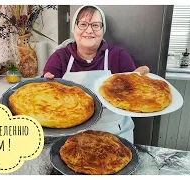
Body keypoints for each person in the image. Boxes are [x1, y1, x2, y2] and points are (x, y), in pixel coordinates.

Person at [42, 5, 150, 143]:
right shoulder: (60, 56)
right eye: (83, 24)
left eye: (95, 25)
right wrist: (46, 84)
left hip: (115, 134)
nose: (89, 30)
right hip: (71, 136)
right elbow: (47, 93)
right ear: (74, 28)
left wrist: (141, 83)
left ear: (102, 30)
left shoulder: (118, 56)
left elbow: (132, 93)